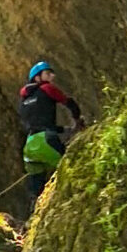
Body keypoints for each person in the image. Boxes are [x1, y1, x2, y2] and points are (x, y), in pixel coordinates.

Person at [19, 61, 86, 203]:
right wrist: (77, 119)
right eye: (48, 73)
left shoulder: (24, 100)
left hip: (30, 145)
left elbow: (39, 123)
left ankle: (34, 213)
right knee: (70, 169)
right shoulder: (47, 88)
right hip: (46, 140)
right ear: (37, 78)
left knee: (36, 185)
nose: (52, 76)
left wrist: (65, 130)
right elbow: (69, 102)